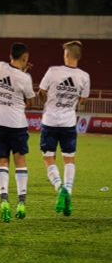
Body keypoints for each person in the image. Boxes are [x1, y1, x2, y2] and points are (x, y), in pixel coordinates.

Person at [38, 41, 90, 216]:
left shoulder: (53, 71)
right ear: (79, 56)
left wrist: (49, 99)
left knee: (48, 158)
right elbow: (83, 100)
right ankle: (68, 190)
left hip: (50, 121)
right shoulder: (84, 76)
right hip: (68, 123)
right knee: (69, 159)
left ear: (66, 54)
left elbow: (41, 91)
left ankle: (60, 188)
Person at [0, 43, 35, 222]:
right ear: (24, 58)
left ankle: (3, 199)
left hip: (0, 122)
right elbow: (31, 103)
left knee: (2, 161)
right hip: (17, 124)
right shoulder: (25, 78)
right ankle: (21, 201)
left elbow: (10, 72)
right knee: (20, 162)